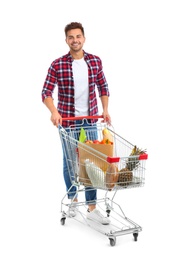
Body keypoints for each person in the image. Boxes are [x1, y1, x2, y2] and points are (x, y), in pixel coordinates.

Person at [41, 22, 111, 225]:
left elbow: (103, 87)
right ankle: (72, 200)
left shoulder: (95, 61)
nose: (75, 40)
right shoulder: (58, 64)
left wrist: (105, 110)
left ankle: (91, 208)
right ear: (66, 40)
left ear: (84, 38)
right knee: (71, 161)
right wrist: (54, 112)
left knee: (91, 162)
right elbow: (46, 92)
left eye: (78, 36)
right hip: (68, 122)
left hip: (90, 121)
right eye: (71, 37)